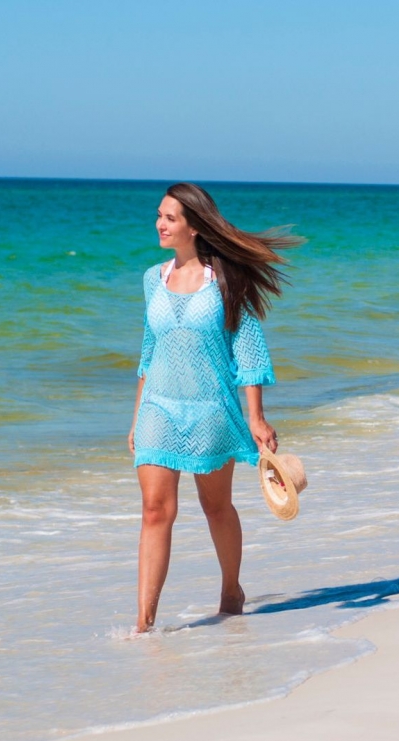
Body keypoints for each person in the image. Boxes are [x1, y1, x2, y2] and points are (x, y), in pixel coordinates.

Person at [128, 182, 304, 633]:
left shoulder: (225, 280)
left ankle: (231, 589)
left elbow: (248, 351)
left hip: (209, 410)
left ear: (194, 225)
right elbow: (150, 350)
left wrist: (256, 416)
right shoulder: (153, 278)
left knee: (216, 506)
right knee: (154, 510)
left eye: (169, 217)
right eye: (159, 215)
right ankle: (144, 623)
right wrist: (136, 418)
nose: (160, 224)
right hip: (158, 410)